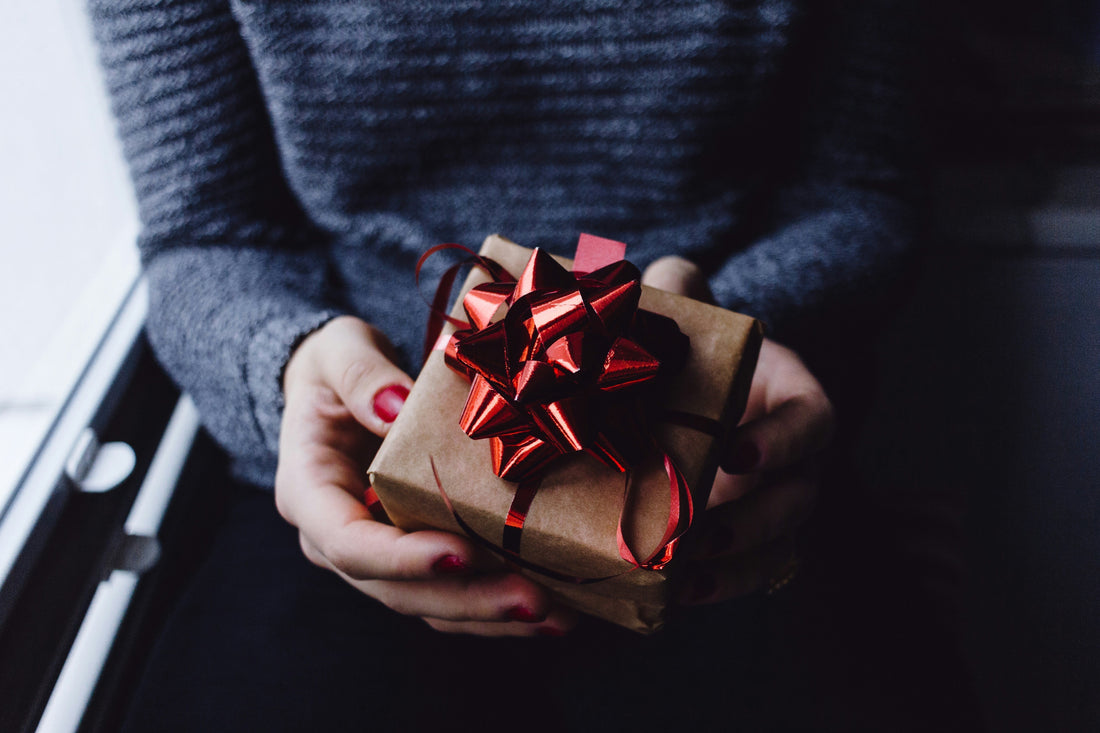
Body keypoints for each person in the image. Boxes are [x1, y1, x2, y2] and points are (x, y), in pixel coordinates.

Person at [89, 0, 978, 729]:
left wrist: (724, 340)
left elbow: (861, 192)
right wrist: (282, 363)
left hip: (722, 457)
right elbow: (203, 232)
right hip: (363, 461)